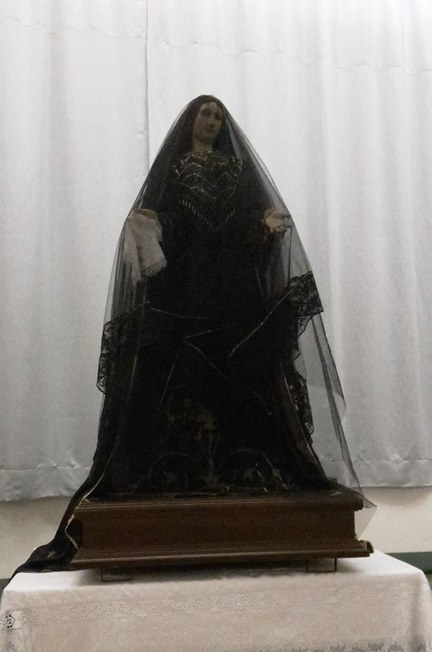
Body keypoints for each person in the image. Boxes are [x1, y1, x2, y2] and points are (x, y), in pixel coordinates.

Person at [22, 95, 362, 570]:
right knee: (169, 382)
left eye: (218, 116)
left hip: (234, 297)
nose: (212, 121)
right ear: (190, 121)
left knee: (245, 379)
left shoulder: (238, 172)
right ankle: (175, 474)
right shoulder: (174, 170)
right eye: (205, 114)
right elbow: (163, 221)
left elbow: (246, 224)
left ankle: (243, 472)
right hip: (183, 295)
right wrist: (148, 226)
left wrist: (262, 228)